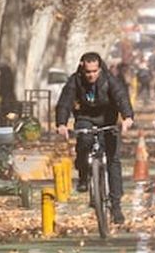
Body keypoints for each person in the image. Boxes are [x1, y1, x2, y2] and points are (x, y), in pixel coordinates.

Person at [55, 52, 134, 224]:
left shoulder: (109, 80)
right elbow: (65, 102)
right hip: (85, 119)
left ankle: (116, 206)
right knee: (84, 140)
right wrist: (61, 123)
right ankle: (84, 175)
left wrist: (127, 117)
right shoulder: (75, 81)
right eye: (88, 72)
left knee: (113, 161)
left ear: (100, 69)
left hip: (108, 120)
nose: (91, 75)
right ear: (82, 68)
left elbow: (121, 97)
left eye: (94, 71)